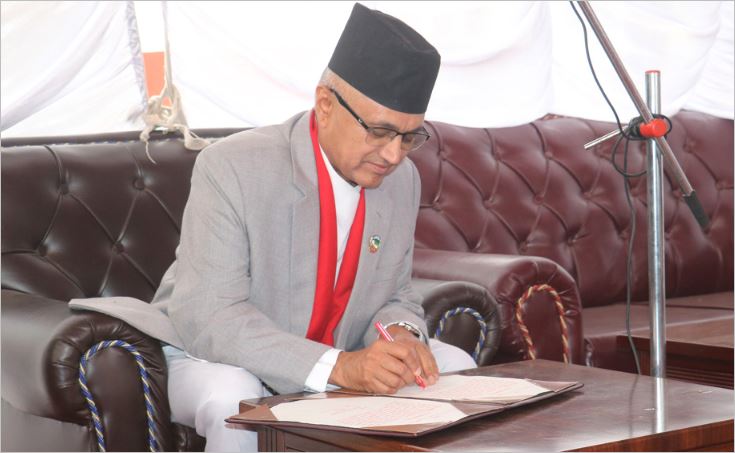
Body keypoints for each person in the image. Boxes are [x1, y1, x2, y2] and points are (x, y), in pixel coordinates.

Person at [151, 3, 477, 451]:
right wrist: (341, 367)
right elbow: (212, 316)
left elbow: (396, 294)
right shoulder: (233, 166)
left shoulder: (403, 180)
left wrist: (400, 336)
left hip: (342, 349)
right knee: (235, 398)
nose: (393, 155)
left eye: (409, 137)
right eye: (379, 131)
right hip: (212, 354)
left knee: (455, 367)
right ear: (325, 105)